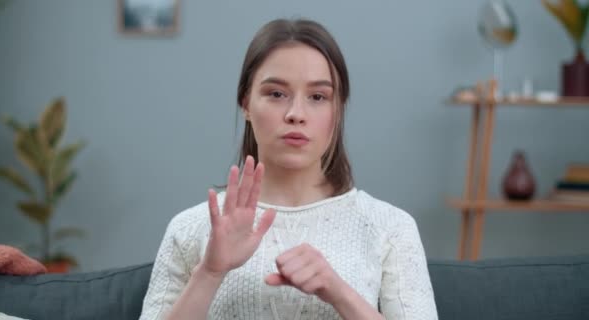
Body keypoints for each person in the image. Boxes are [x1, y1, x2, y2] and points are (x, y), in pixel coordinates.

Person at [139, 18, 438, 320]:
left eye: (318, 97)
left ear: (338, 109)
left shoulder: (390, 227)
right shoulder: (190, 228)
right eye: (276, 94)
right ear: (245, 103)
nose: (296, 114)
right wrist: (210, 272)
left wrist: (339, 292)